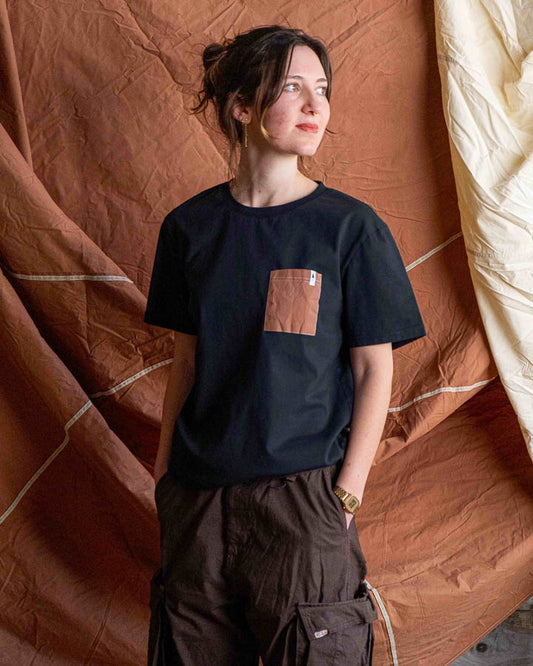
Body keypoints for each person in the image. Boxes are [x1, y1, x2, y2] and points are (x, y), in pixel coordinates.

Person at [143, 25, 426, 666]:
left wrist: (346, 495)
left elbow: (374, 371)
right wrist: (164, 477)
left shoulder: (351, 230)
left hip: (304, 505)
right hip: (198, 501)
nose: (314, 105)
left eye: (321, 89)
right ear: (242, 106)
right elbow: (186, 361)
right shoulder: (189, 229)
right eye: (292, 87)